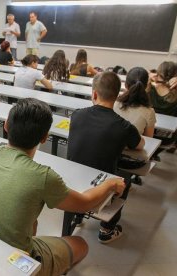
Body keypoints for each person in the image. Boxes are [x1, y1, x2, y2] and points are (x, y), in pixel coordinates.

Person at [0, 98, 126, 276]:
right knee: (81, 244)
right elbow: (86, 203)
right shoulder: (43, 177)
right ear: (44, 137)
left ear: (6, 126)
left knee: (32, 222)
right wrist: (110, 183)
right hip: (13, 260)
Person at [67, 72, 145, 243]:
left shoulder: (77, 115)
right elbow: (140, 145)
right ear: (117, 96)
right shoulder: (124, 126)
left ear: (94, 94)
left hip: (71, 178)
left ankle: (77, 217)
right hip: (100, 184)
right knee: (126, 180)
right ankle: (107, 229)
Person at [149, 61, 177, 153]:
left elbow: (137, 74)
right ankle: (155, 153)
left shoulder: (148, 88)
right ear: (175, 74)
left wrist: (149, 74)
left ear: (158, 72)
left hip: (146, 131)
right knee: (175, 135)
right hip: (165, 136)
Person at [114, 67, 156, 137]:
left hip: (111, 145)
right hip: (133, 147)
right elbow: (148, 139)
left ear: (125, 84)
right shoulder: (149, 112)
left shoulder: (114, 103)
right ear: (146, 86)